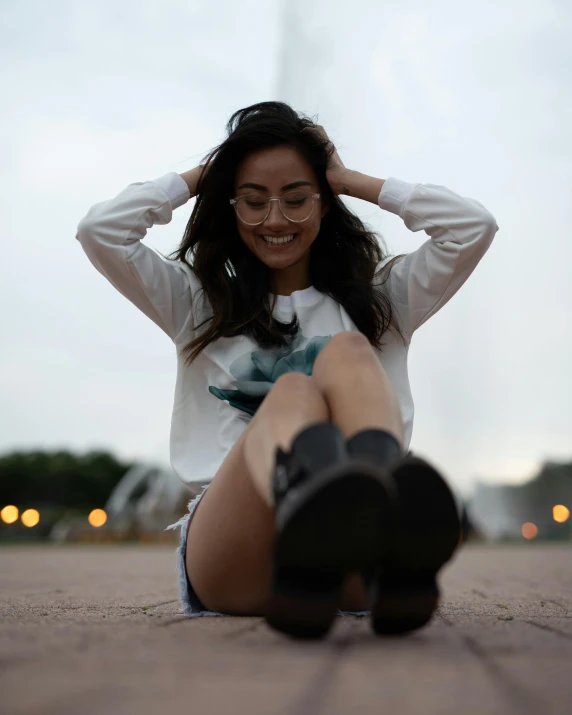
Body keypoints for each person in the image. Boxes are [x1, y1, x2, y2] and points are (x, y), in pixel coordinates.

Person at [76, 101, 498, 639]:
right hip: (234, 551)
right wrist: (205, 174)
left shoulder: (384, 304)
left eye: (297, 199)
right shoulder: (196, 305)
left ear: (325, 204)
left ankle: (376, 517)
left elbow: (473, 228)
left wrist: (352, 179)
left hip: (343, 561)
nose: (275, 220)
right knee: (294, 391)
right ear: (230, 206)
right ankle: (334, 521)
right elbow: (99, 231)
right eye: (253, 202)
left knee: (347, 352)